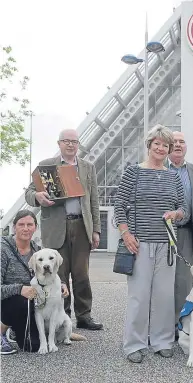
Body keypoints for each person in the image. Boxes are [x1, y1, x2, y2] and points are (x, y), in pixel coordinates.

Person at [114, 124, 189, 363]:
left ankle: (162, 341)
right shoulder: (133, 172)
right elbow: (119, 207)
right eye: (156, 143)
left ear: (169, 149)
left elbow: (184, 210)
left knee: (164, 296)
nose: (160, 147)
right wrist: (126, 235)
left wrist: (176, 215)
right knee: (139, 296)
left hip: (167, 245)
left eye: (165, 145)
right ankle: (134, 344)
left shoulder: (173, 176)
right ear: (149, 145)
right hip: (139, 243)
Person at [24, 129, 103, 331]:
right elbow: (29, 192)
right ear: (59, 143)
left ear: (79, 144)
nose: (70, 145)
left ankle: (84, 315)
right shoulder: (46, 165)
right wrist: (38, 197)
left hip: (81, 225)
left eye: (74, 141)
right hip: (56, 226)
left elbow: (94, 200)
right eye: (66, 141)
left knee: (81, 274)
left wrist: (96, 230)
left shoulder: (87, 167)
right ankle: (62, 315)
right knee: (59, 274)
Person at [1, 210, 85, 354]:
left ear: (36, 227)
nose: (26, 228)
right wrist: (20, 288)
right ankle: (2, 330)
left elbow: (47, 274)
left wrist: (62, 285)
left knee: (33, 346)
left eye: (30, 224)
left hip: (29, 305)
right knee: (21, 302)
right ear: (14, 227)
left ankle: (16, 328)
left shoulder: (38, 250)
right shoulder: (3, 250)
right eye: (21, 224)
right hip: (10, 301)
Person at [167, 131, 193, 334]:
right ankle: (161, 326)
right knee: (163, 281)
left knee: (184, 282)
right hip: (162, 234)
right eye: (174, 142)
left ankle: (181, 324)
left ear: (186, 146)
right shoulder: (158, 168)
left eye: (182, 141)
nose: (178, 145)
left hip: (186, 232)